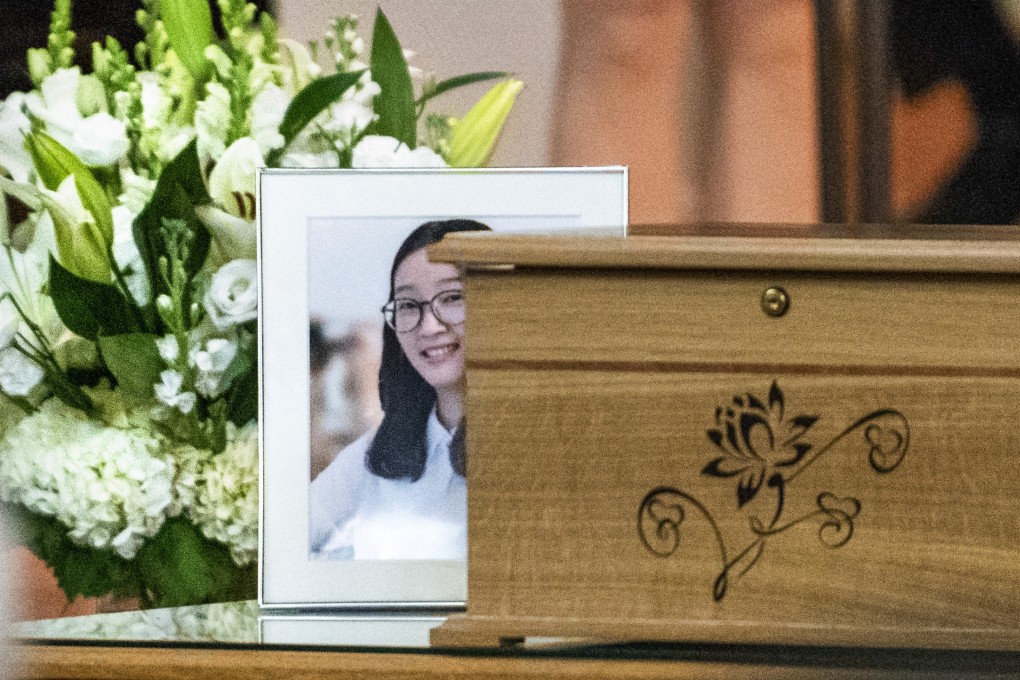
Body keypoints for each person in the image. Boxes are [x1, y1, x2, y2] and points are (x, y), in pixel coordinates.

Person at [308, 219, 491, 560]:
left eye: (453, 297)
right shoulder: (377, 451)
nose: (429, 326)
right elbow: (286, 548)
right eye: (408, 305)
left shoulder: (537, 448)